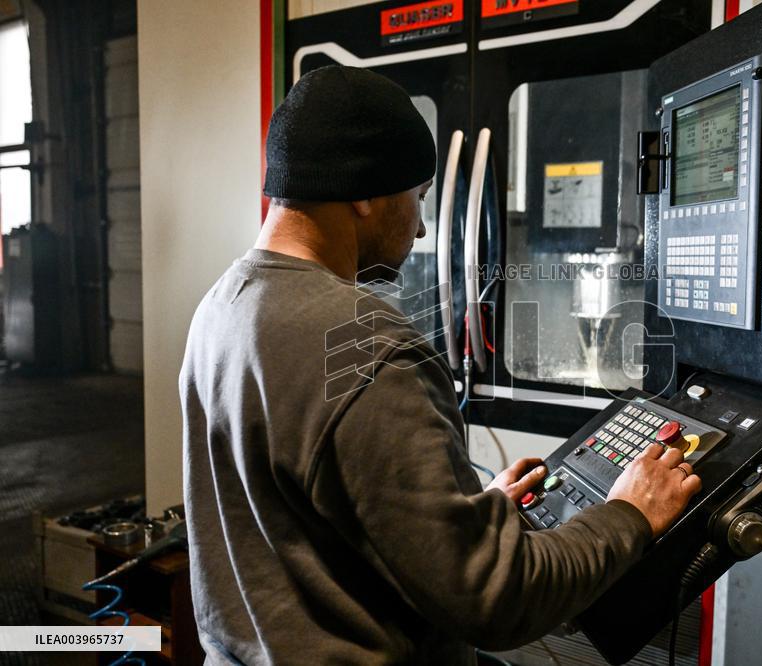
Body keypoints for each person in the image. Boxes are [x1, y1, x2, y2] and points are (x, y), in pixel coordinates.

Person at [180, 65, 701, 665]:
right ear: (365, 193)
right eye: (418, 197)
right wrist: (630, 514)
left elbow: (308, 527)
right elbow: (496, 600)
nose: (424, 225)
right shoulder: (364, 343)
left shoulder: (221, 306)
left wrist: (465, 515)